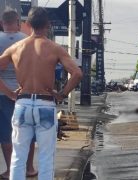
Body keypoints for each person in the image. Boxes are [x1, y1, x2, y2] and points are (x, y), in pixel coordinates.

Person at [0, 7, 83, 180]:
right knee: (46, 157)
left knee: (18, 156)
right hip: (45, 103)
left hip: (22, 104)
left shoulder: (16, 47)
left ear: (27, 24)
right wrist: (61, 94)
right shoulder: (54, 48)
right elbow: (77, 73)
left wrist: (9, 93)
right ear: (49, 25)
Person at [0, 10, 37, 179]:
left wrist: (7, 92)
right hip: (25, 93)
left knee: (6, 133)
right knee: (26, 131)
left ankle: (11, 170)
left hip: (1, 94)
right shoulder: (27, 40)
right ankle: (29, 168)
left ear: (2, 22)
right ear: (18, 21)